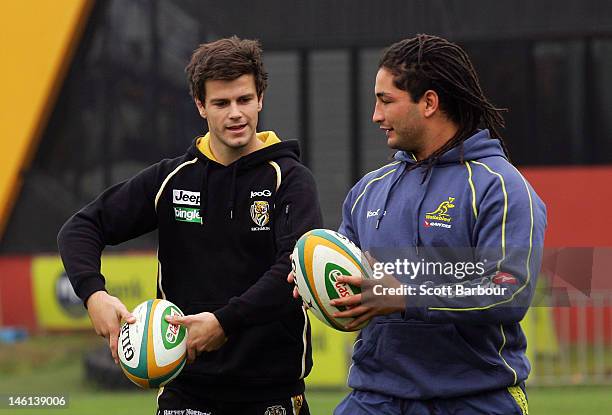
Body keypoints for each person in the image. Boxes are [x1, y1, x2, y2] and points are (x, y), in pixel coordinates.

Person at [58, 36, 322, 415]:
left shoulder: (290, 179)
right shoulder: (173, 179)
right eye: (221, 103)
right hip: (185, 394)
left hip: (270, 395)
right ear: (200, 105)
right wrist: (93, 294)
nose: (236, 114)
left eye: (244, 100)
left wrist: (224, 322)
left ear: (260, 98)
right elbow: (81, 227)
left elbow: (294, 270)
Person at [292, 34, 546, 414]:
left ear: (429, 102)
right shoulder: (367, 191)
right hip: (375, 397)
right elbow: (350, 280)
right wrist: (315, 285)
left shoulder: (501, 188)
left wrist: (406, 297)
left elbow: (509, 292)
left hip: (475, 399)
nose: (376, 116)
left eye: (386, 101)